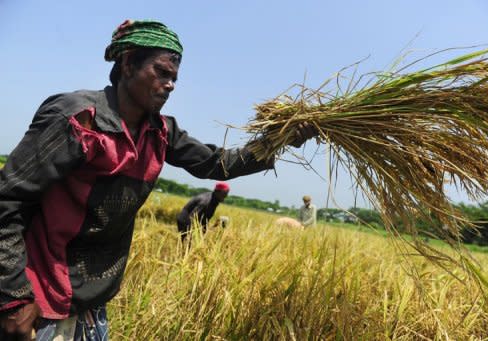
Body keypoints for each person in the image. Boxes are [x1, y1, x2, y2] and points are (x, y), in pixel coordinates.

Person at [0, 19, 316, 340]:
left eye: (174, 78)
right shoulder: (78, 120)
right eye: (162, 73)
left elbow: (220, 163)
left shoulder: (161, 132)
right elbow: (7, 199)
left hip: (92, 299)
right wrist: (13, 299)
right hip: (39, 297)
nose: (170, 85)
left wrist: (281, 136)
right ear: (127, 64)